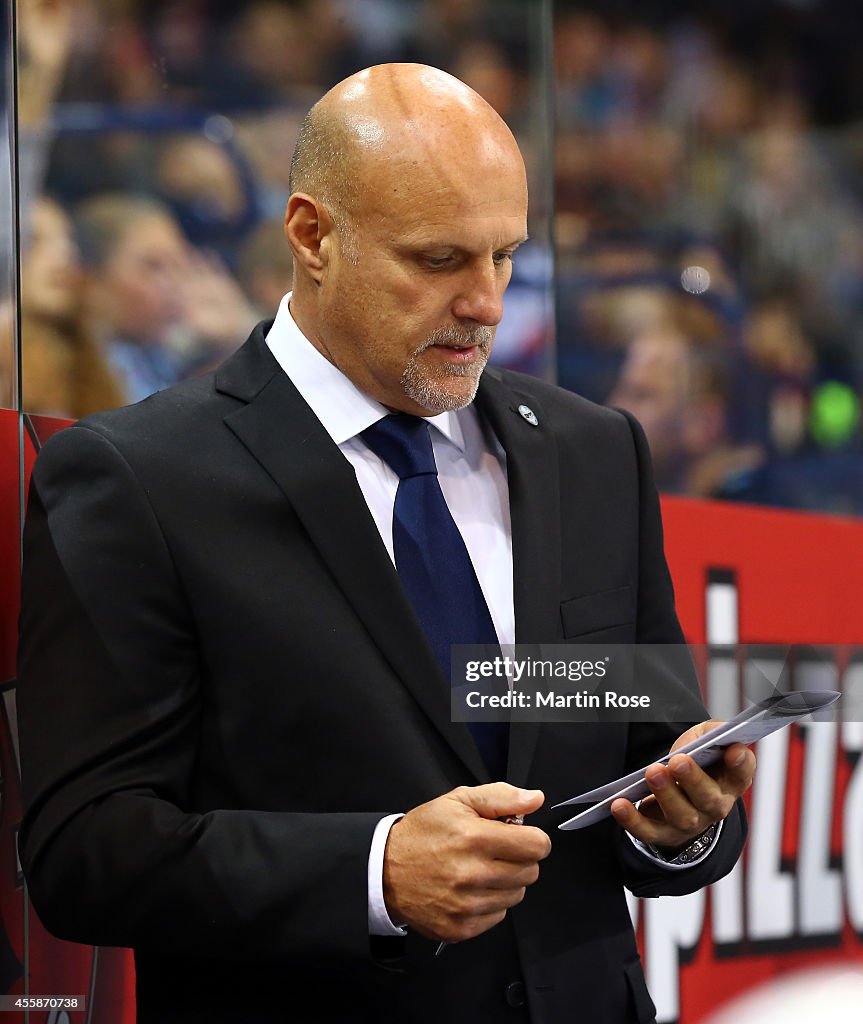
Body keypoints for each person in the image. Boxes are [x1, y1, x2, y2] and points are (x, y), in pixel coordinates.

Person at [17, 64, 754, 1023]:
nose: (487, 302)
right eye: (440, 260)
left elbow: (642, 745)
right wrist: (371, 872)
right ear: (312, 236)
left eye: (505, 257)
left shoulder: (592, 452)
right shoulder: (140, 477)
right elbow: (86, 850)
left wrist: (681, 827)